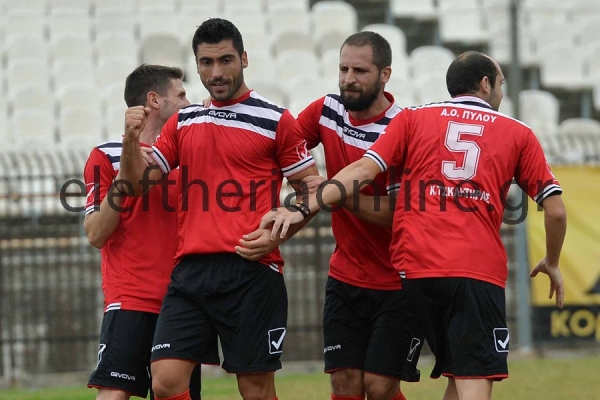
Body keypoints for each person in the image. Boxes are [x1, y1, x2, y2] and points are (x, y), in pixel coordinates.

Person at [261, 51, 567, 400]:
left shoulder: (412, 118)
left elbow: (362, 170)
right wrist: (552, 262)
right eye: (500, 85)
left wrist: (304, 208)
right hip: (475, 272)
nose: (501, 92)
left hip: (417, 273)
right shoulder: (518, 132)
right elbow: (555, 212)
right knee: (471, 381)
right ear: (485, 84)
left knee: (438, 376)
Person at [117, 18, 319, 400]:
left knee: (255, 389)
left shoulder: (276, 119)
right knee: (164, 383)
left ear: (243, 58)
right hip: (190, 272)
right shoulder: (183, 120)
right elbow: (137, 184)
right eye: (206, 63)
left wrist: (287, 223)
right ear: (196, 65)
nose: (216, 71)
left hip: (251, 271)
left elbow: (312, 188)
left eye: (225, 60)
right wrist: (130, 141)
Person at [281, 31, 423, 400]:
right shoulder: (326, 111)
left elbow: (397, 215)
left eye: (359, 70)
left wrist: (334, 194)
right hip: (345, 277)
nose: (348, 78)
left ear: (385, 74)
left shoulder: (402, 128)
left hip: (398, 283)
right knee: (344, 382)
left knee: (378, 388)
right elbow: (281, 144)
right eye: (343, 68)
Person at [83, 64, 201, 400]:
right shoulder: (105, 156)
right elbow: (95, 234)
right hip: (130, 298)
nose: (187, 101)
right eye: (180, 95)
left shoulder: (187, 158)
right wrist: (125, 183)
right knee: (115, 392)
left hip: (182, 302)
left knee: (175, 392)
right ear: (154, 100)